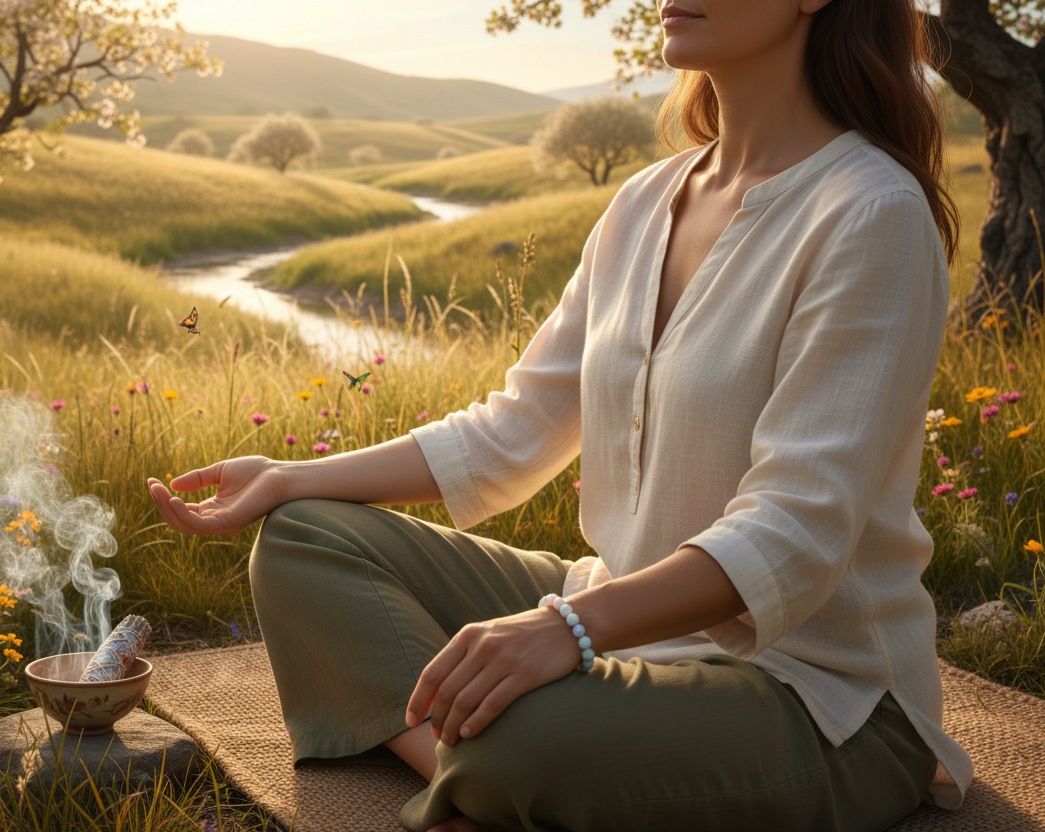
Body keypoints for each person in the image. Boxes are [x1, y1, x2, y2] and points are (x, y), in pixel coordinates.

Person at [148, 0, 975, 828]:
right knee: (303, 537)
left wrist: (567, 631)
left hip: (817, 696)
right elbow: (512, 430)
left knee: (530, 736)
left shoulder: (870, 212)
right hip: (619, 614)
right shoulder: (644, 203)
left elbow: (792, 535)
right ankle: (473, 773)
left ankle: (492, 767)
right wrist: (290, 475)